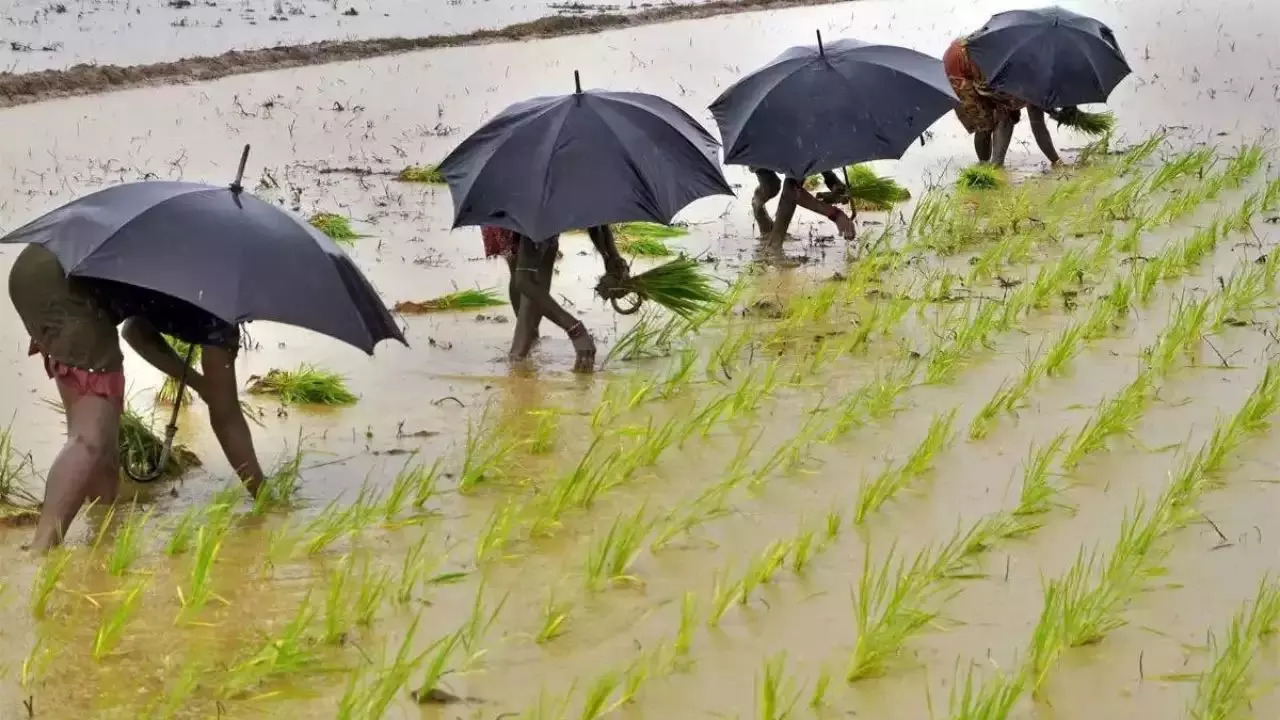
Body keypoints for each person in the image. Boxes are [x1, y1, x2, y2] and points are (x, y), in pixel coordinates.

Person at [8, 244, 264, 552]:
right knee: (89, 439)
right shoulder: (220, 312)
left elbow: (136, 330)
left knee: (102, 433)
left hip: (37, 267)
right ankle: (41, 548)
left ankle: (102, 527)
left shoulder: (197, 262)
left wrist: (195, 382)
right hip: (66, 289)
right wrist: (263, 496)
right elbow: (226, 414)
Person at [481, 224, 629, 373]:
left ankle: (525, 346)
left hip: (541, 215)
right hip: (518, 215)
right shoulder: (534, 214)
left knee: (540, 258)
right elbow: (524, 280)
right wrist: (576, 330)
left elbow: (595, 218)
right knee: (524, 265)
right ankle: (518, 361)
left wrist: (612, 258)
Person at [942, 35, 1061, 168]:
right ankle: (986, 167)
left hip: (981, 63)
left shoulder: (1038, 77)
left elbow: (1038, 125)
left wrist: (1056, 161)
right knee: (985, 122)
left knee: (1004, 112)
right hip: (959, 66)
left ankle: (994, 165)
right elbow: (1010, 111)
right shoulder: (1017, 73)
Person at [750, 168, 857, 253]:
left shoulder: (818, 145)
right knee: (771, 187)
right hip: (761, 149)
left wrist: (837, 187)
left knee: (796, 179)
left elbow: (821, 160)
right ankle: (772, 244)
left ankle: (775, 240)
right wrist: (835, 214)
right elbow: (791, 189)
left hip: (798, 151)